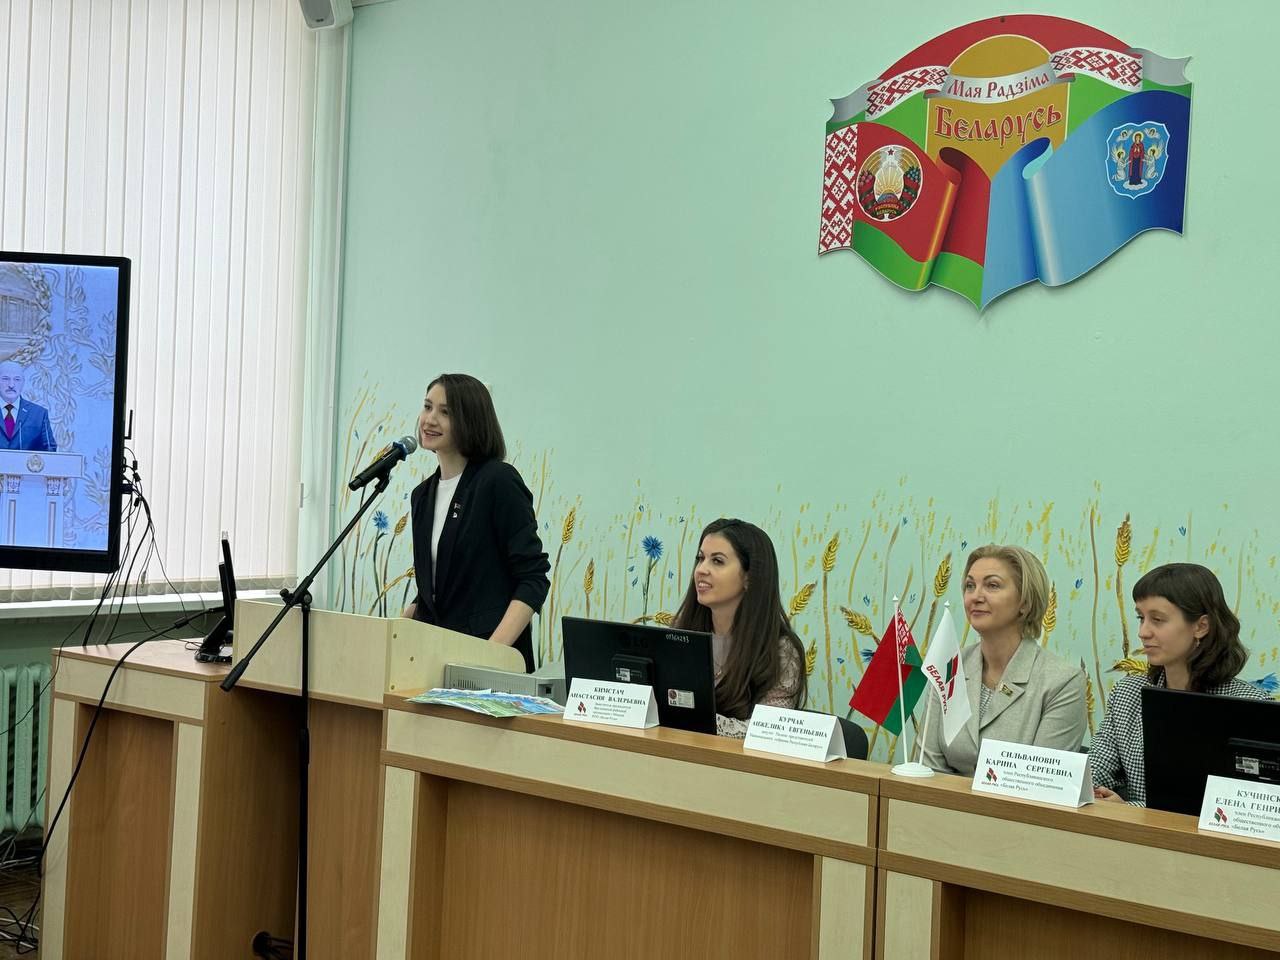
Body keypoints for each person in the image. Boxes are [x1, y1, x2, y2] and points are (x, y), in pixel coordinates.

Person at [402, 374, 549, 672]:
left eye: (445, 412)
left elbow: (533, 579)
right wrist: (394, 633)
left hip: (490, 666)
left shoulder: (497, 481)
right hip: (435, 661)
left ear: (470, 420)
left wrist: (489, 655)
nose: (430, 419)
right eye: (427, 407)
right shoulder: (422, 496)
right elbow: (434, 593)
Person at [1090, 563, 1270, 806]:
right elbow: (1095, 769)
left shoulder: (1250, 706)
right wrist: (1089, 790)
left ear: (1201, 626)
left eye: (1157, 620)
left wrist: (1128, 809)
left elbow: (1241, 809)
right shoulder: (1127, 693)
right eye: (1141, 618)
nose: (1143, 632)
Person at [921, 544, 1086, 776]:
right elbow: (928, 769)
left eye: (992, 585)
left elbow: (1039, 782)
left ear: (1025, 603)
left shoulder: (1063, 682)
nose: (975, 597)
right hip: (939, 800)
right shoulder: (949, 667)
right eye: (970, 586)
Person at [672, 518, 806, 738]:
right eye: (700, 558)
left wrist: (693, 719)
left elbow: (767, 732)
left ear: (749, 577)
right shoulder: (680, 634)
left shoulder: (780, 651)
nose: (701, 570)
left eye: (717, 561)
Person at [0, 360, 57, 452]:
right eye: (5, 379)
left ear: (23, 383)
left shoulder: (39, 414)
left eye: (17, 379)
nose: (11, 385)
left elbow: (49, 449)